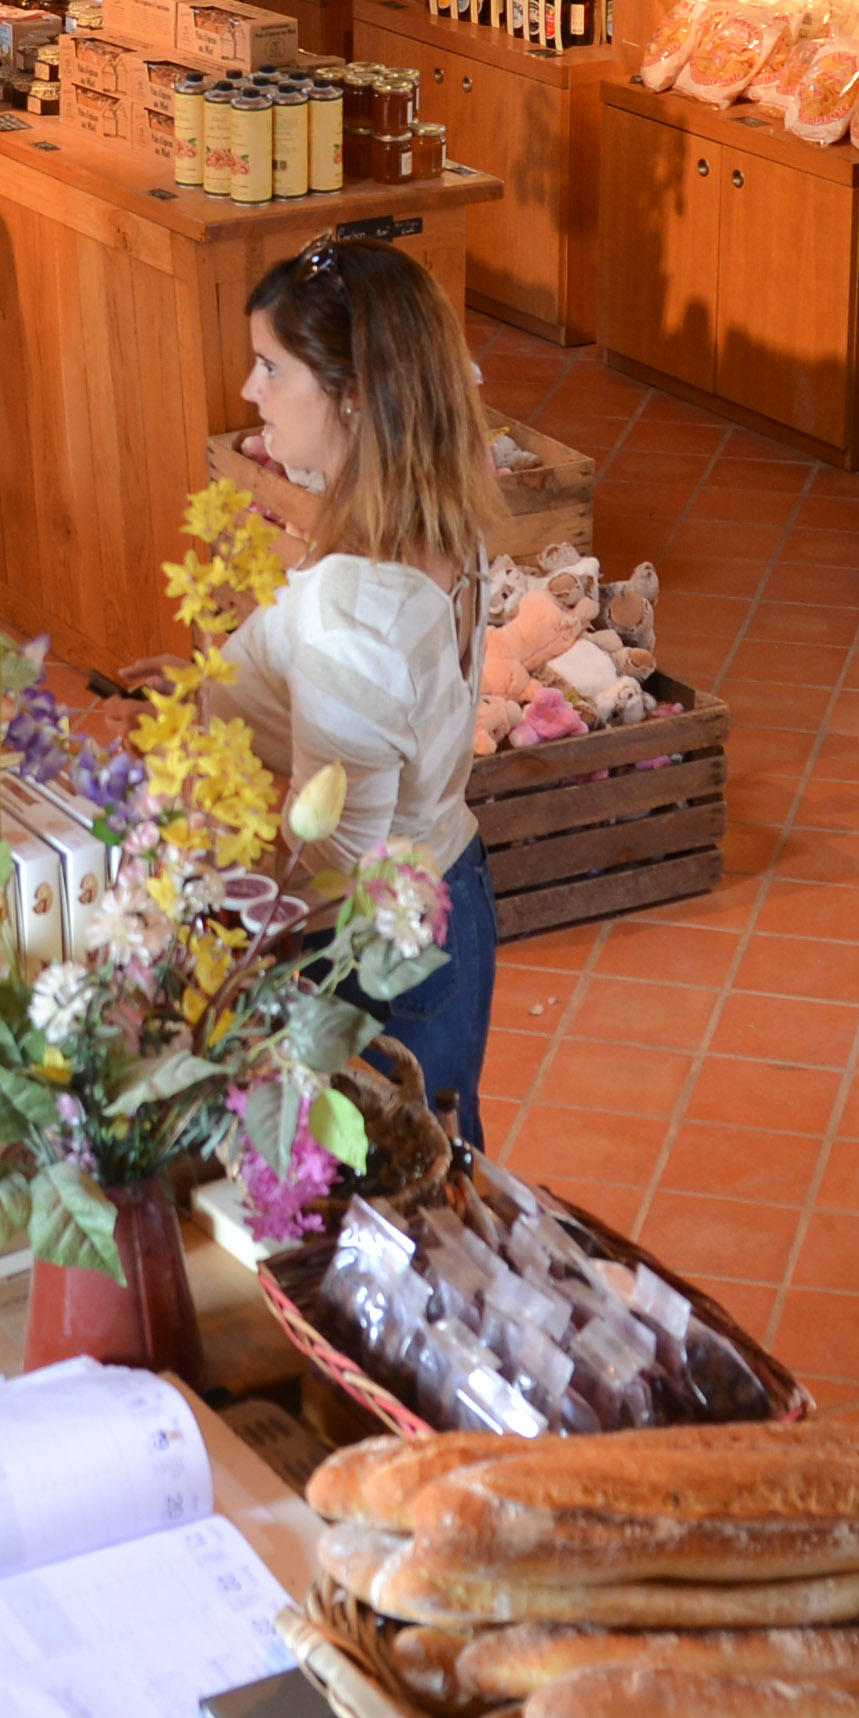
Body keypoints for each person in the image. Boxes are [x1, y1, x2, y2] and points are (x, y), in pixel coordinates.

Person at [220, 238, 568, 1145]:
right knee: (442, 1174)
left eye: (271, 367)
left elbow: (333, 850)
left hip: (366, 956)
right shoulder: (437, 522)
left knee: (381, 1203)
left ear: (354, 394)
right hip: (446, 890)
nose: (251, 390)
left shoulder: (356, 598)